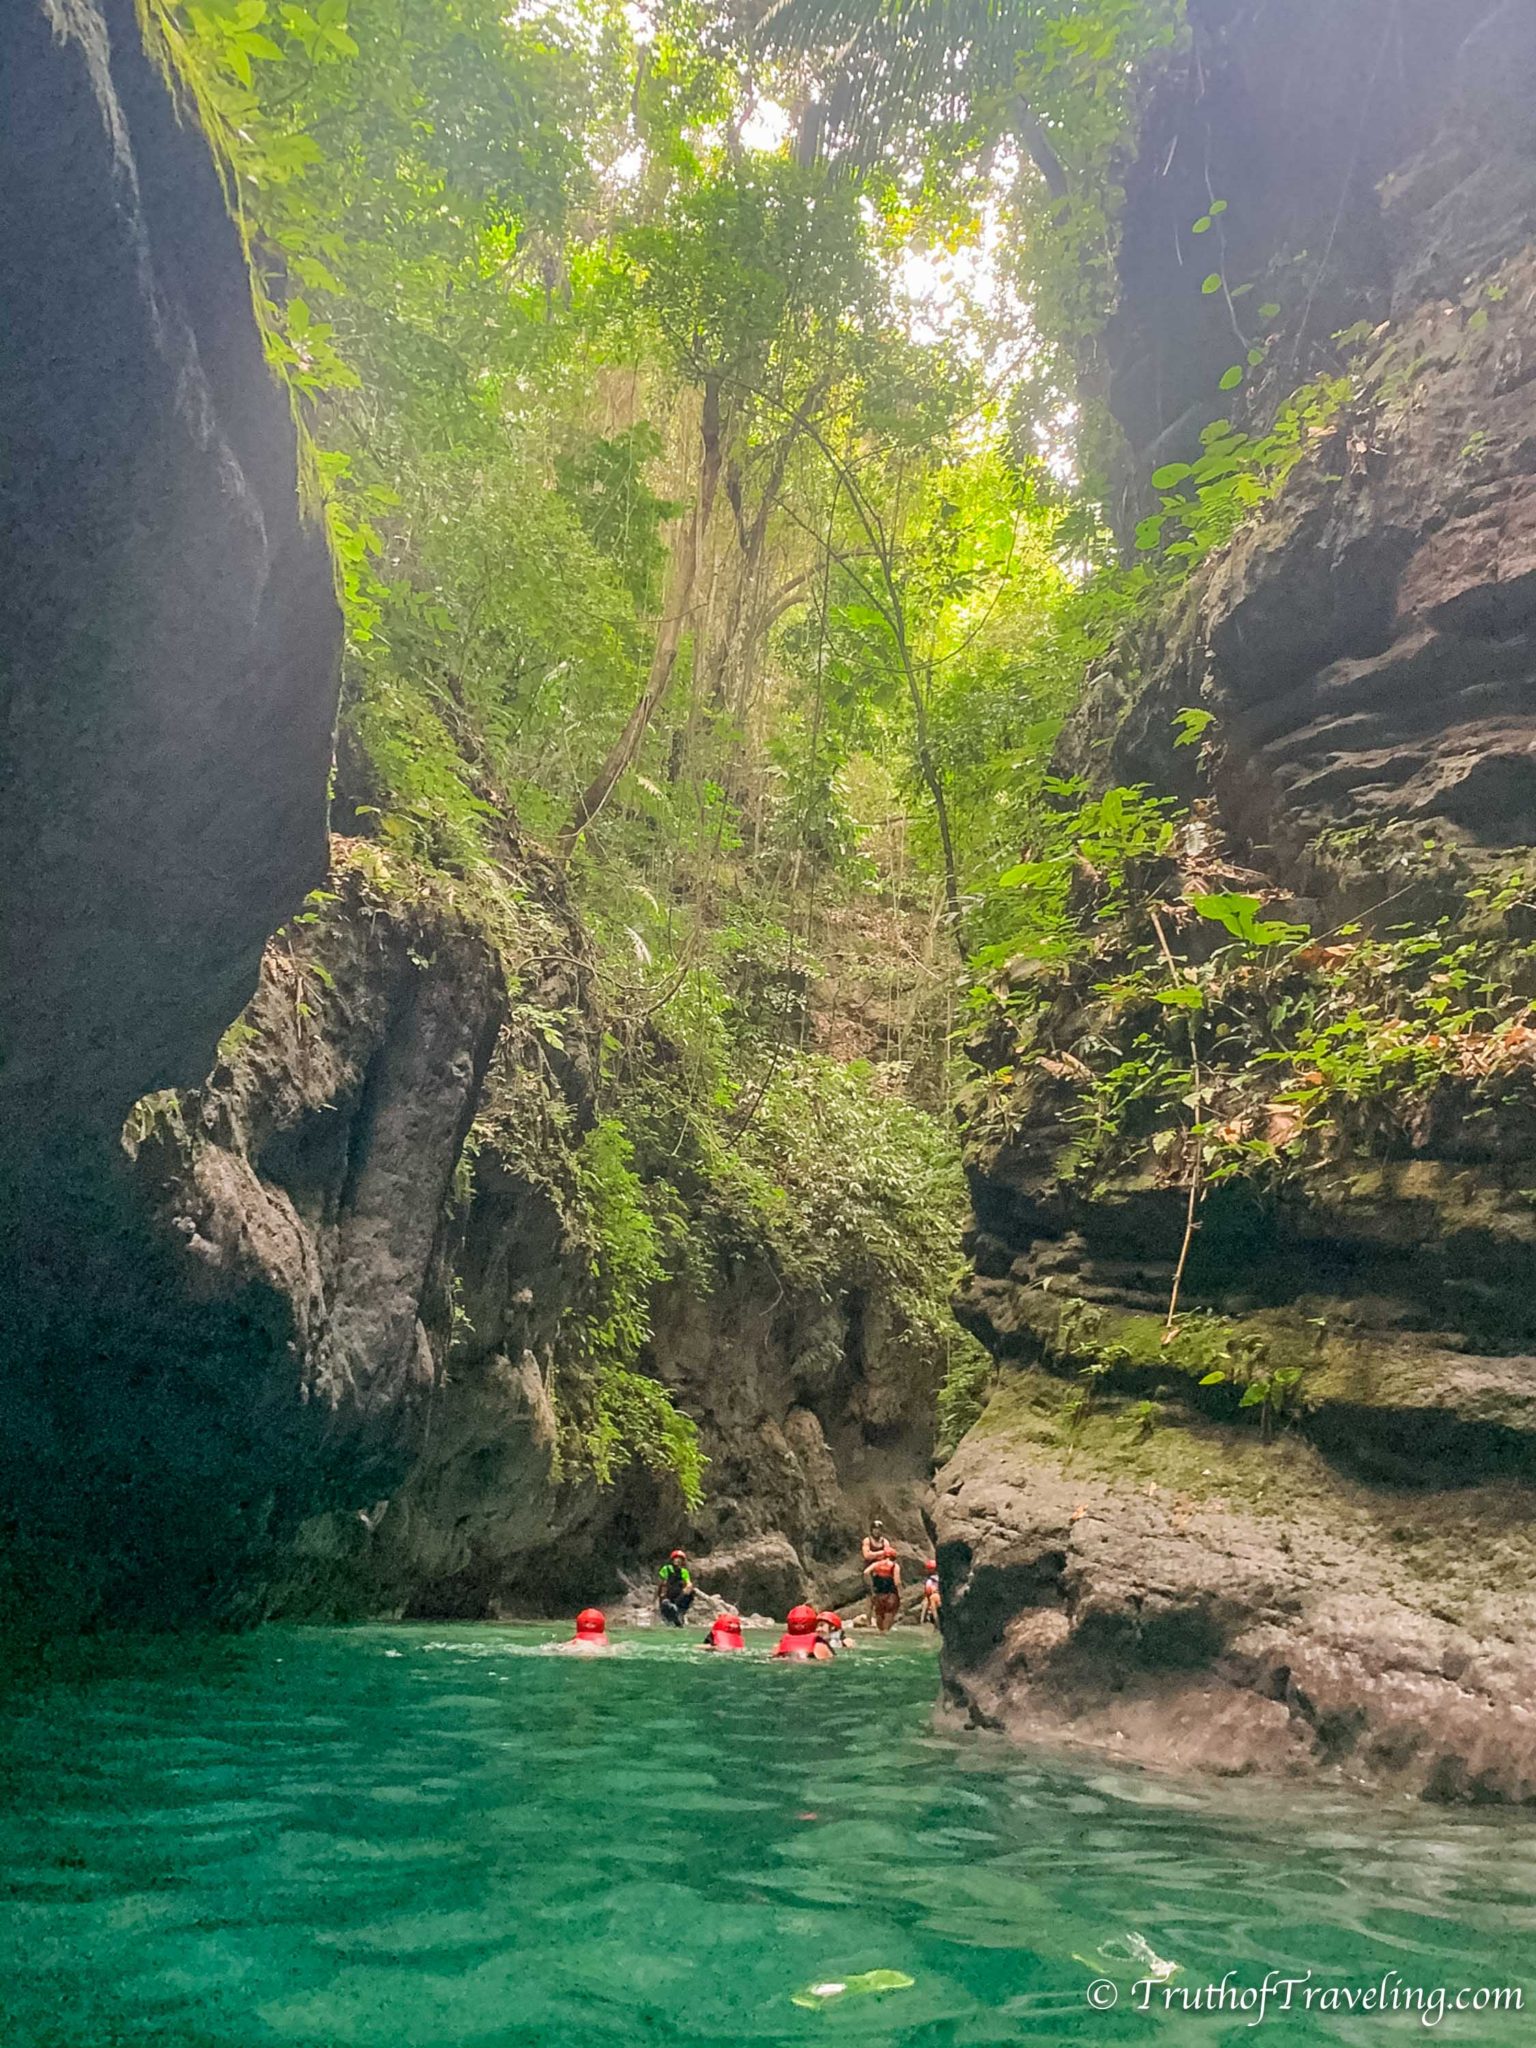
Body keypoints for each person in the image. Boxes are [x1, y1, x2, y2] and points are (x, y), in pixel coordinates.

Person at [864, 1545, 902, 1633]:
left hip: (878, 1595)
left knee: (879, 1615)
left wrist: (871, 1586)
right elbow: (897, 1582)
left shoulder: (876, 1564)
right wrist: (900, 1593)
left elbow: (866, 1573)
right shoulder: (895, 1566)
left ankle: (880, 1633)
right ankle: (885, 1632)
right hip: (891, 1595)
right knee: (889, 1616)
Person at [657, 1549, 695, 1627]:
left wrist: (688, 1587)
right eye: (676, 1558)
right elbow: (661, 1583)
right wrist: (660, 1597)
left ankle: (679, 1610)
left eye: (680, 1559)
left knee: (691, 1592)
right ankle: (670, 1609)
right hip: (668, 1595)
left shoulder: (684, 1571)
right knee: (666, 1603)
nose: (678, 1560)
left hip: (678, 1597)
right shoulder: (666, 1569)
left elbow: (688, 1583)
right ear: (672, 1559)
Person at [920, 1560, 941, 1626]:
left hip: (935, 1597)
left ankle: (922, 1621)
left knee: (926, 1601)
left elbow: (928, 1591)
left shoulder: (930, 1580)